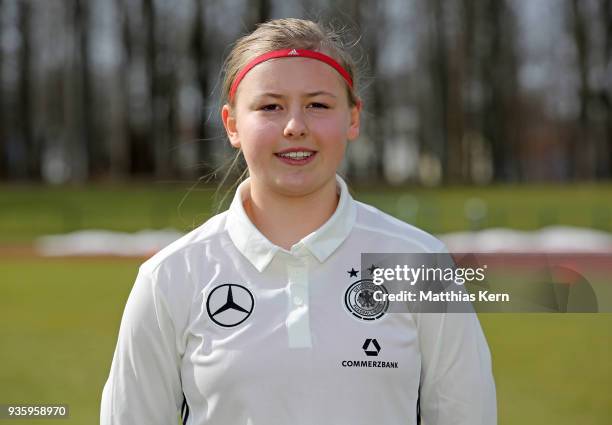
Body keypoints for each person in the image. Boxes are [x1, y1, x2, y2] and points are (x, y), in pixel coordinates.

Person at [100, 18, 496, 425]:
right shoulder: (170, 277)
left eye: (318, 105)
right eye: (270, 106)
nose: (295, 126)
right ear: (232, 124)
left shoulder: (419, 262)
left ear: (353, 118)